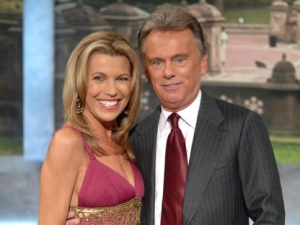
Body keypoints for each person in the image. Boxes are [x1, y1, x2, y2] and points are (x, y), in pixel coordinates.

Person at [66, 6, 285, 225]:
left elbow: (270, 216)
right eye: (157, 62)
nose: (168, 72)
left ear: (203, 63)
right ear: (147, 72)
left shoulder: (241, 126)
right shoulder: (135, 138)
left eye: (180, 60)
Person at [39, 31, 144, 225]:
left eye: (122, 78)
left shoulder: (125, 140)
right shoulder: (68, 142)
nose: (112, 90)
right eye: (99, 78)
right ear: (80, 83)